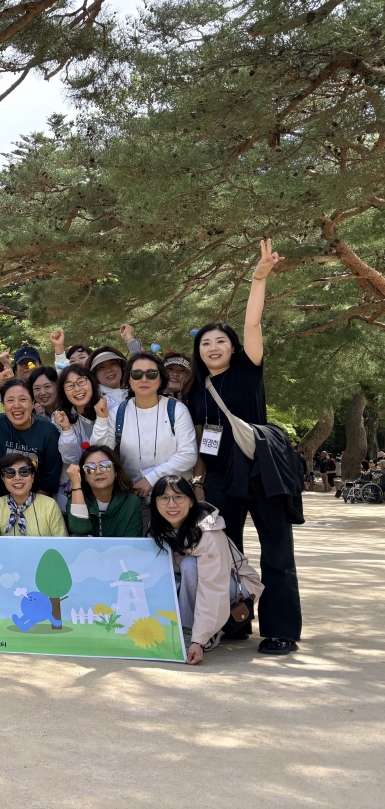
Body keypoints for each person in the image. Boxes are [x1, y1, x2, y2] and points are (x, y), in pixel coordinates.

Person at [189, 239, 302, 656]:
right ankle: (234, 622)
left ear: (233, 347)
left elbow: (253, 324)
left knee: (276, 551)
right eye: (205, 343)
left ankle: (281, 630)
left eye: (220, 341)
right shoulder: (196, 388)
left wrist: (259, 277)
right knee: (224, 552)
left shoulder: (248, 369)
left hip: (259, 467)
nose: (213, 347)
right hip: (221, 477)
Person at [148, 475, 264, 664]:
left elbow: (212, 587)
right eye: (164, 498)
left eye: (178, 497)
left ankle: (198, 632)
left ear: (191, 501)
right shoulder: (157, 527)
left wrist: (199, 639)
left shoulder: (208, 533)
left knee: (190, 566)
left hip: (232, 587)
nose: (171, 505)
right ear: (155, 503)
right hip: (197, 585)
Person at [91, 352, 198, 503]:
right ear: (129, 379)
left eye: (151, 374)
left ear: (161, 379)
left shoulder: (176, 410)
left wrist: (151, 479)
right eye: (137, 374)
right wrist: (102, 420)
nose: (144, 379)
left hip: (174, 498)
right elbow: (99, 453)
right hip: (134, 498)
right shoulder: (117, 413)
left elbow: (188, 454)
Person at [0, 379, 61, 495]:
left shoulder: (49, 432)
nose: (17, 405)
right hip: (1, 497)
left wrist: (32, 504)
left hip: (37, 498)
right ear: (3, 404)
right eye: (10, 400)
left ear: (33, 403)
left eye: (23, 399)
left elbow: (50, 480)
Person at [0, 453, 67, 536]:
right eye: (10, 473)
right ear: (3, 479)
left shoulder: (49, 505)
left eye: (24, 471)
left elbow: (62, 544)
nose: (17, 478)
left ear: (32, 476)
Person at [66, 446, 143, 537]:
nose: (98, 472)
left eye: (105, 465)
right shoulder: (76, 499)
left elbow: (133, 542)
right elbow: (79, 529)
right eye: (90, 468)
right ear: (85, 476)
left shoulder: (131, 502)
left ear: (116, 471)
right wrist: (76, 485)